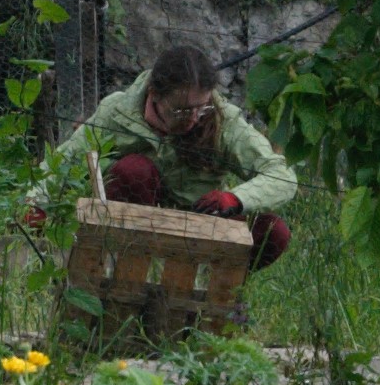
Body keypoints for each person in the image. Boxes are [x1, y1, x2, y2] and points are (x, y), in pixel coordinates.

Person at [56, 43, 296, 264]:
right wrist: (33, 204)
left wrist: (235, 198)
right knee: (133, 170)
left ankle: (219, 297)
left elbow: (281, 175)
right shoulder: (117, 111)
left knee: (274, 232)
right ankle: (124, 274)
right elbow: (62, 162)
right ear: (154, 94)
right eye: (182, 110)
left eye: (201, 108)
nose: (193, 118)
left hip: (198, 228)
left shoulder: (223, 120)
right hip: (130, 229)